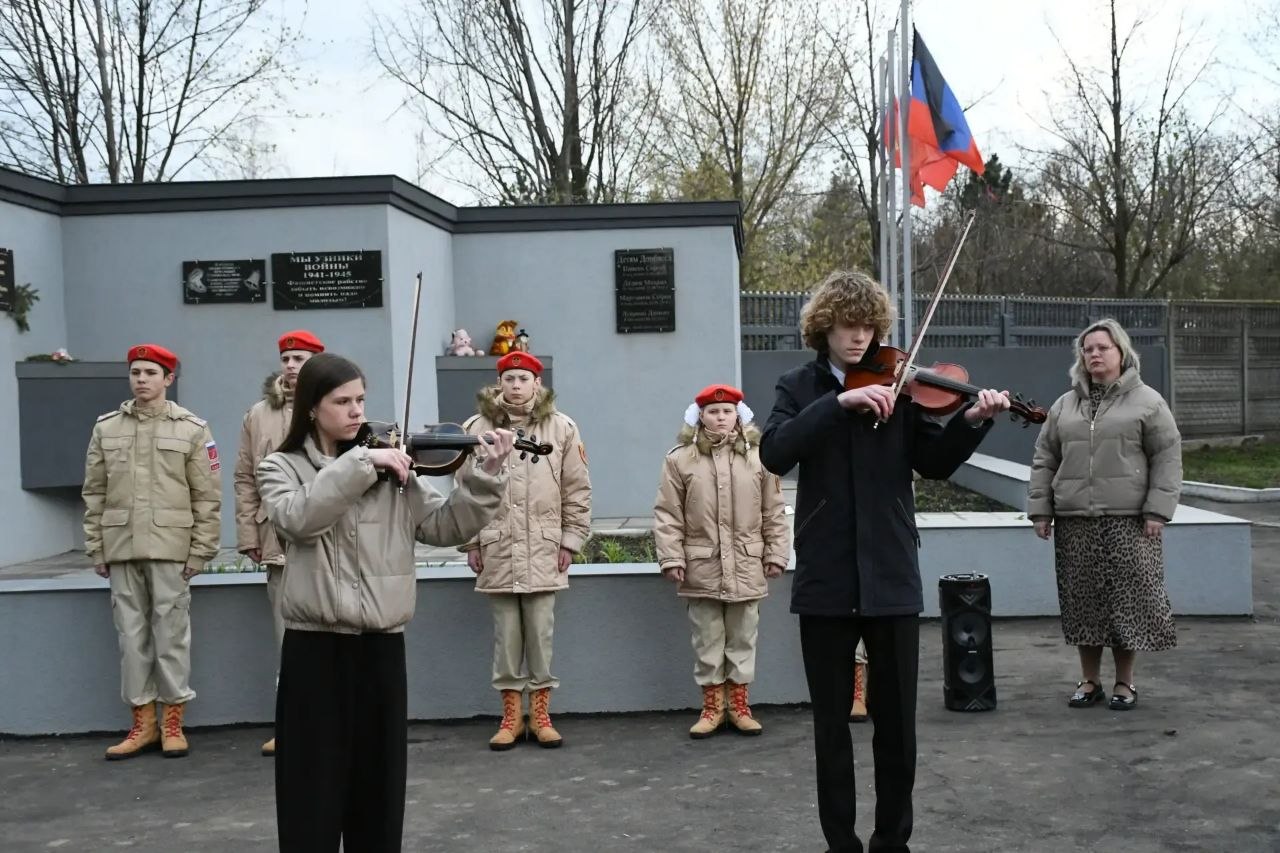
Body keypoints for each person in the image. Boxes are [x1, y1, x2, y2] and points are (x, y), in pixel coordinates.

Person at [759, 269, 1010, 853]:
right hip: (826, 577)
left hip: (893, 574)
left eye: (870, 326)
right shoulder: (799, 386)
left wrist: (972, 422)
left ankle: (892, 841)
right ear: (825, 327)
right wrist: (838, 401)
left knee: (897, 725)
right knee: (831, 728)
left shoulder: (900, 385)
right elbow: (775, 451)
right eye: (849, 326)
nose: (860, 337)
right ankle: (840, 843)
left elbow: (934, 462)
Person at [256, 352, 515, 853]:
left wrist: (486, 476)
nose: (357, 412)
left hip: (380, 648)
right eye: (343, 401)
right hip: (314, 648)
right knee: (310, 786)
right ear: (311, 407)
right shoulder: (281, 467)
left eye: (361, 400)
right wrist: (360, 463)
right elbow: (297, 519)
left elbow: (445, 527)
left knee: (377, 787)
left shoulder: (393, 468)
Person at [1028, 318, 1181, 711]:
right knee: (1083, 604)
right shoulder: (1065, 404)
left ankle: (1125, 683)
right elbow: (1045, 459)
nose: (1094, 354)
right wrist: (1040, 510)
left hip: (1129, 520)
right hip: (1075, 520)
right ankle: (1089, 680)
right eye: (1088, 348)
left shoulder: (1148, 401)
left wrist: (1158, 511)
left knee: (1128, 604)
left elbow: (1167, 457)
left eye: (1103, 347)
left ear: (1122, 353)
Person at [83, 344, 221, 760]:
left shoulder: (192, 429)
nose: (141, 379)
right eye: (136, 372)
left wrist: (200, 552)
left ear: (168, 380)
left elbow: (207, 496)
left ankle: (172, 719)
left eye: (150, 372)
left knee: (171, 636)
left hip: (171, 548)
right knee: (131, 637)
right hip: (121, 546)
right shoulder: (106, 429)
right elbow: (94, 492)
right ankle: (142, 722)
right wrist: (96, 548)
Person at [456, 351, 592, 750]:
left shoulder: (562, 428)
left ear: (538, 384)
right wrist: (471, 542)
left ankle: (542, 713)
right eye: (509, 378)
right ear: (499, 384)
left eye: (524, 378)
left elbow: (577, 488)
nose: (516, 385)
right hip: (498, 547)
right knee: (507, 637)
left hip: (544, 548)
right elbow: (463, 491)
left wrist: (570, 541)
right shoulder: (475, 427)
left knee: (540, 634)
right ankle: (511, 716)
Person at [653, 384, 791, 738]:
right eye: (713, 412)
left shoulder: (760, 456)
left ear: (738, 415)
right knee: (708, 638)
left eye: (727, 411)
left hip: (747, 564)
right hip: (702, 566)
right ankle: (713, 707)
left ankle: (740, 706)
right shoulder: (680, 459)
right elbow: (668, 513)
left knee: (743, 637)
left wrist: (777, 552)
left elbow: (774, 510)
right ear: (700, 416)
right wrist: (671, 557)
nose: (720, 417)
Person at [233, 329, 324, 757]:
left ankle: (330, 723)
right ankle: (291, 725)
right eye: (286, 357)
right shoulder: (258, 415)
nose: (291, 365)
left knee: (328, 635)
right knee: (287, 638)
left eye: (300, 357)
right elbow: (245, 477)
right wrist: (249, 533)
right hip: (277, 538)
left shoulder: (331, 406)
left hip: (326, 540)